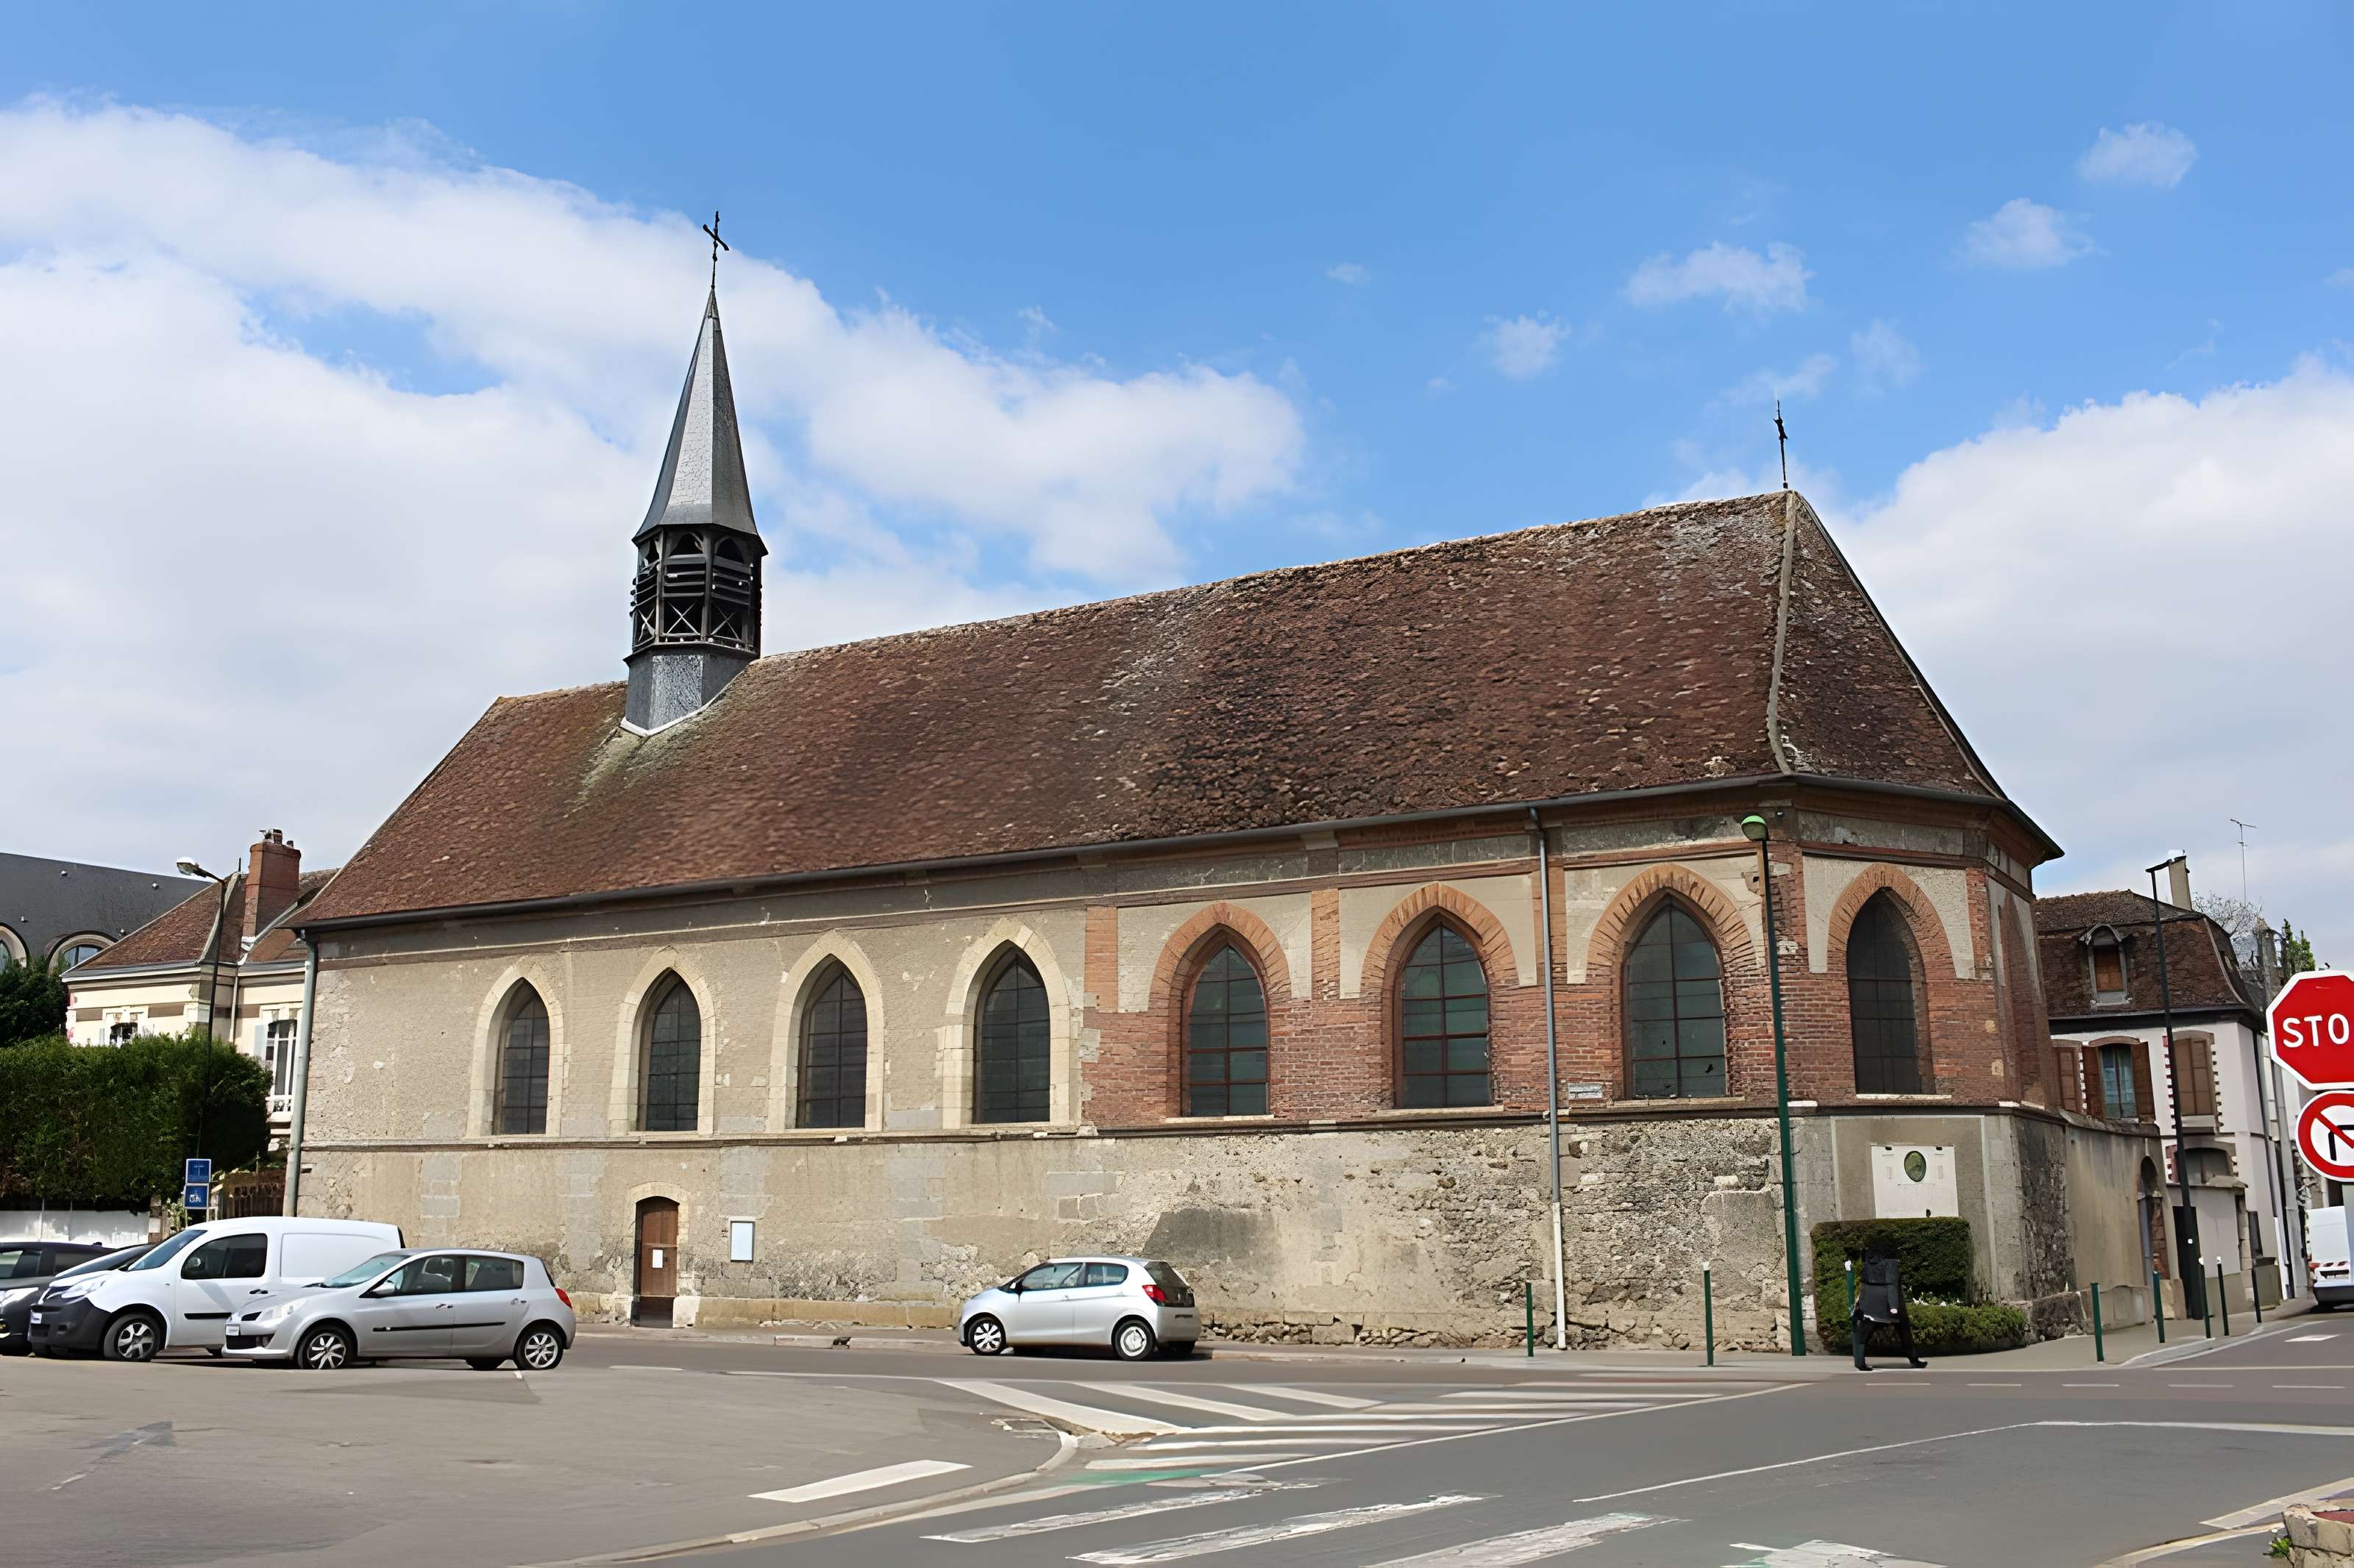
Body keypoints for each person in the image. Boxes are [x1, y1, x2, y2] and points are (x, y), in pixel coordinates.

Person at [1851, 1249, 1928, 1372]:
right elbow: (1892, 1284)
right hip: (1887, 1304)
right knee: (1904, 1330)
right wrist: (1894, 1306)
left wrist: (1861, 1301)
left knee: (1865, 1332)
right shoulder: (1890, 1263)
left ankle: (1860, 1362)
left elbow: (1864, 1283)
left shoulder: (1868, 1263)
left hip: (1870, 1303)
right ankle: (1914, 1359)